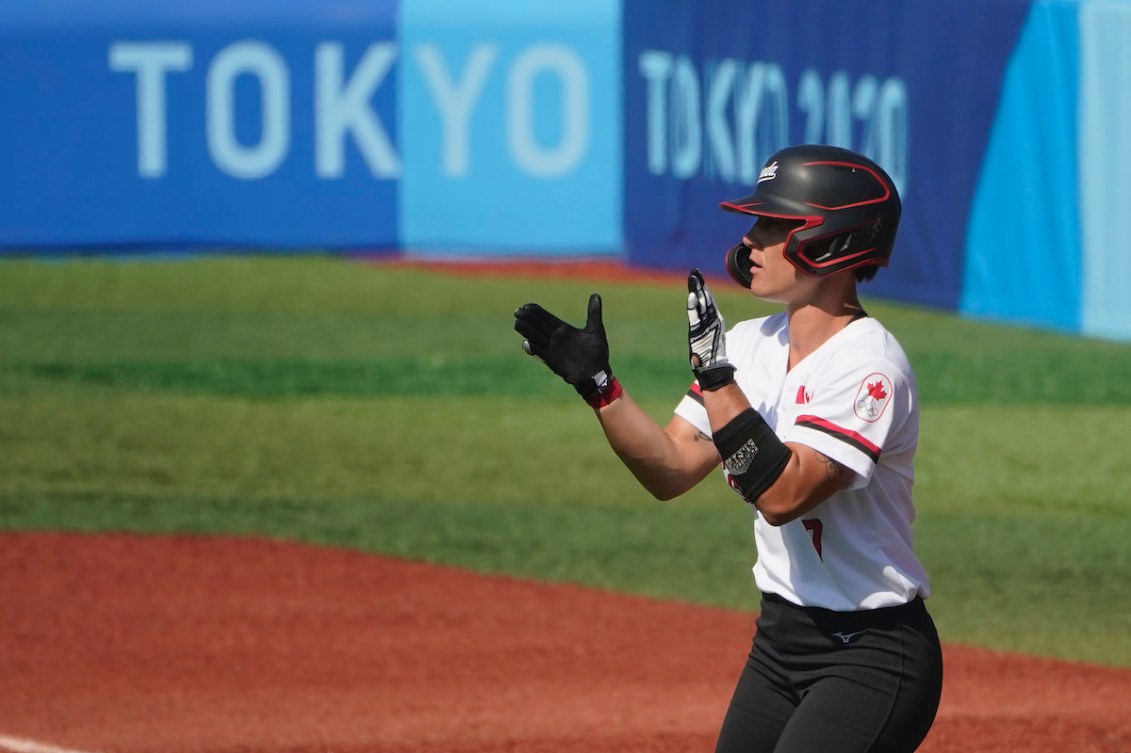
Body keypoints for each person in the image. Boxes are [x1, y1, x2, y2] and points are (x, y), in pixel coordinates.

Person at [513, 143, 943, 753]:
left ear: (834, 240)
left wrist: (719, 381)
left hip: (871, 655)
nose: (751, 241)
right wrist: (599, 388)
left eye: (774, 224)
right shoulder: (750, 344)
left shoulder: (869, 366)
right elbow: (670, 467)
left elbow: (784, 493)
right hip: (778, 643)